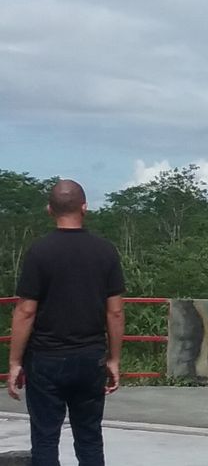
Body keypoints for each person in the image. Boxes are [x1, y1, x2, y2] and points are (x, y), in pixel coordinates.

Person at [7, 179, 126, 465]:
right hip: (90, 358)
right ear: (85, 208)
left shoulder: (39, 252)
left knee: (45, 439)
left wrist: (14, 362)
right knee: (89, 438)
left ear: (50, 209)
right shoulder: (105, 251)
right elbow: (116, 312)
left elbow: (25, 311)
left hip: (46, 360)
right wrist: (114, 359)